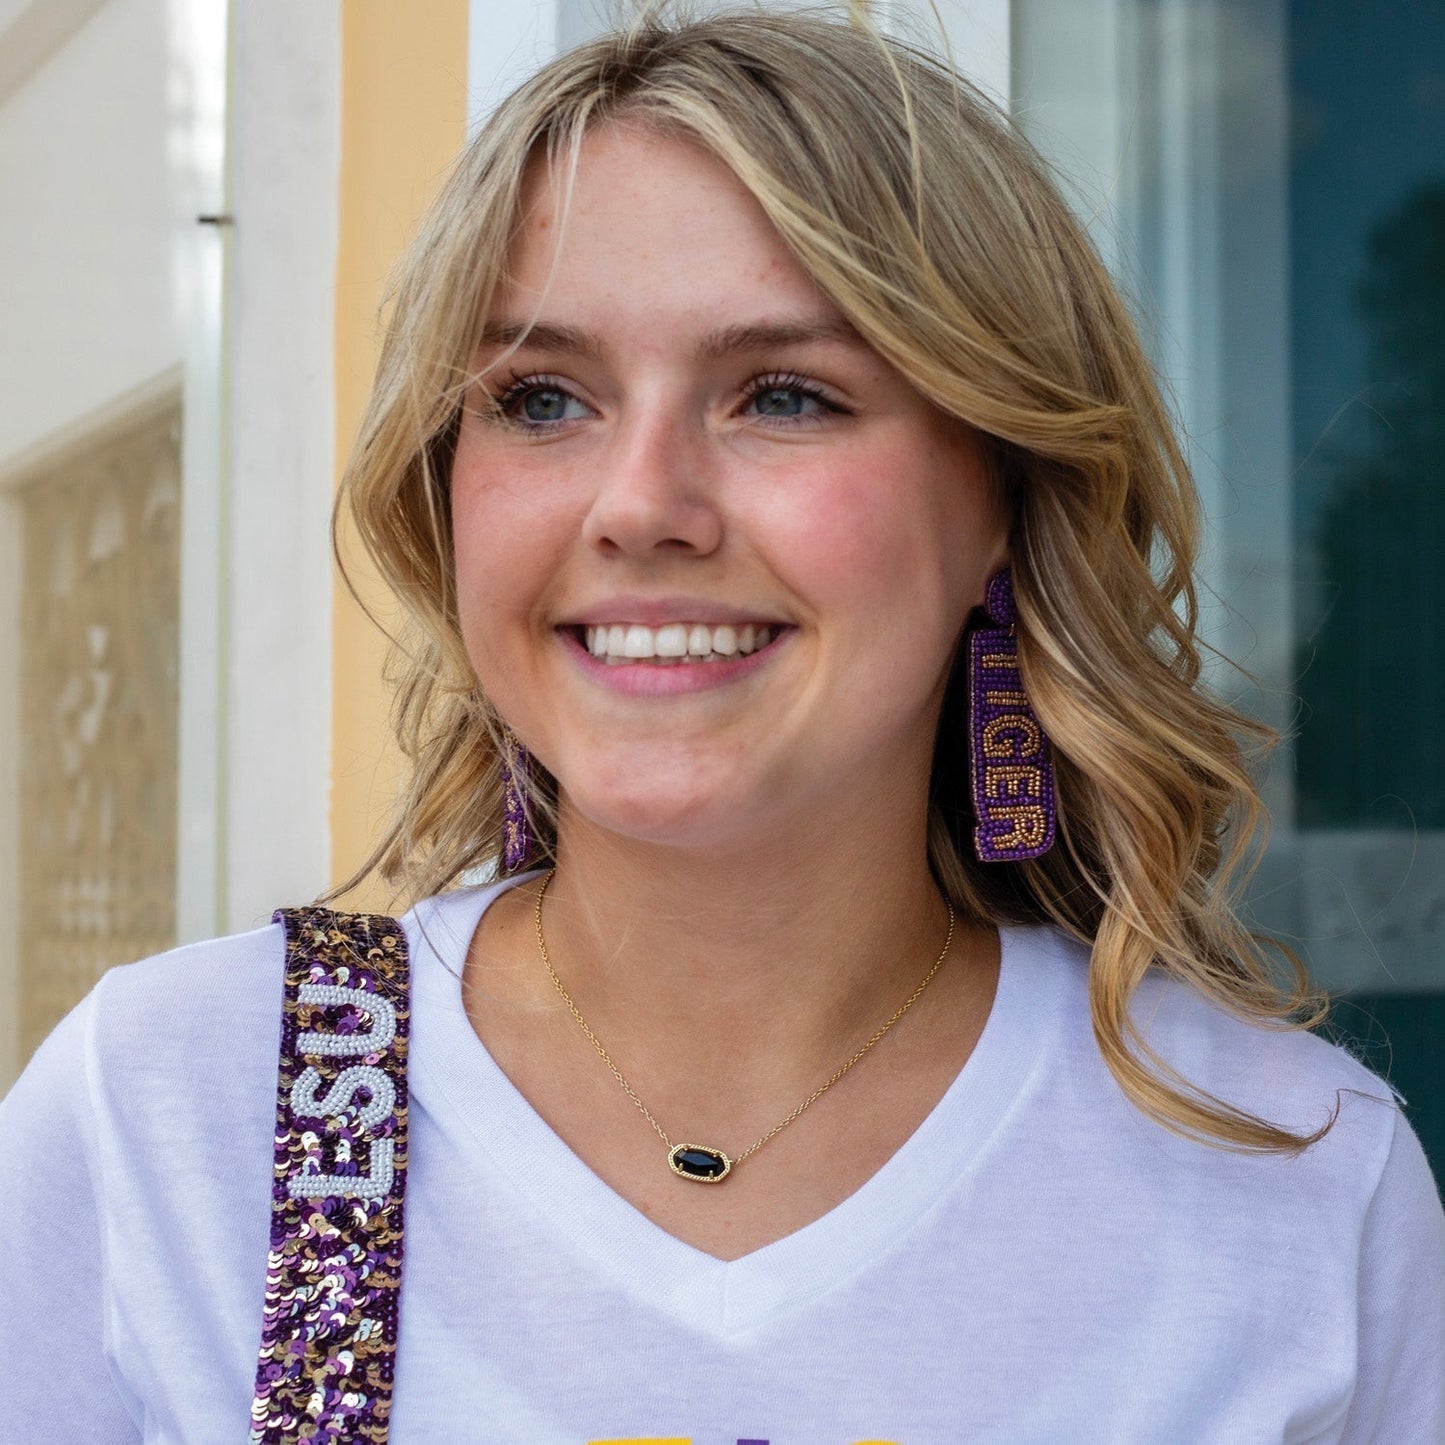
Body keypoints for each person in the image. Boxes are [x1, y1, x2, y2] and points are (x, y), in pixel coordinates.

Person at [3, 6, 1442, 1442]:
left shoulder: (1294, 1185)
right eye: (544, 397)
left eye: (785, 395)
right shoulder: (173, 1119)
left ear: (1002, 497)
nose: (639, 504)